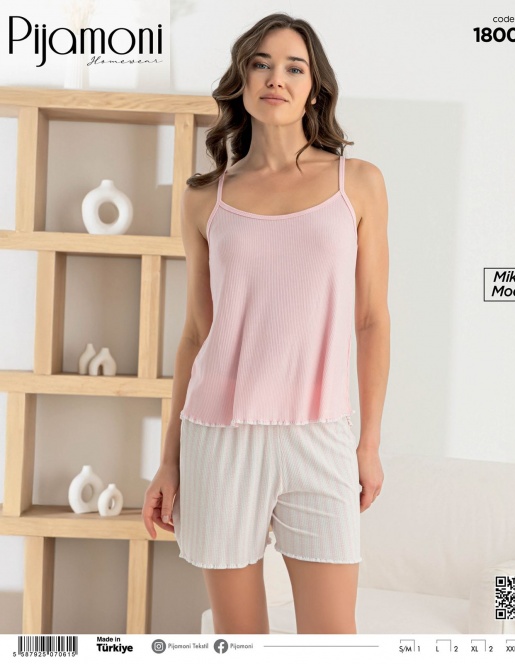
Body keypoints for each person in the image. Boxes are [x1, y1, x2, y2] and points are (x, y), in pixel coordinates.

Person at [142, 12, 389, 635]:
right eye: (261, 63)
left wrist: (368, 444)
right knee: (240, 640)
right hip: (220, 436)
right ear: (242, 81)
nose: (276, 78)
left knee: (332, 641)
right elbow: (196, 334)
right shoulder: (206, 197)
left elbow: (370, 320)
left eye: (294, 67)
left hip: (320, 435)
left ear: (315, 90)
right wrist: (169, 460)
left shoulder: (357, 183)